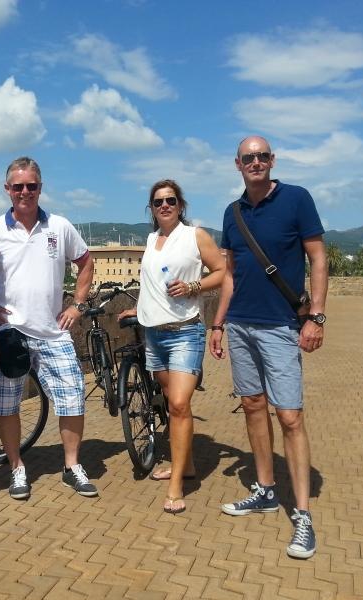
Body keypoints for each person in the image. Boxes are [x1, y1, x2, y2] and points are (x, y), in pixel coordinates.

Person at [208, 136, 327, 559]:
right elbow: (231, 274)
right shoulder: (233, 212)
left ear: (272, 161)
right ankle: (264, 488)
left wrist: (315, 316)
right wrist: (219, 323)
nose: (255, 162)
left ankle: (302, 513)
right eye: (248, 158)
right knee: (254, 406)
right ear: (237, 164)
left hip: (280, 325)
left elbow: (317, 257)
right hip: (240, 324)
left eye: (262, 156)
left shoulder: (297, 199)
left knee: (290, 416)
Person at [0, 156, 97, 499]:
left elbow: (86, 261)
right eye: (18, 186)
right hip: (9, 333)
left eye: (31, 185)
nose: (25, 192)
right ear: (7, 189)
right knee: (6, 405)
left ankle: (71, 465)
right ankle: (17, 467)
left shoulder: (59, 227)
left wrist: (77, 305)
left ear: (40, 188)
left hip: (52, 331)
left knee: (73, 397)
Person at [117, 179, 225, 514]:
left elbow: (222, 271)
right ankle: (187, 463)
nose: (164, 205)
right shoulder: (151, 240)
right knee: (170, 401)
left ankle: (177, 484)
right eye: (158, 201)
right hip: (155, 334)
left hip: (185, 332)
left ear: (181, 205)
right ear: (150, 208)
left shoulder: (195, 236)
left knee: (179, 404)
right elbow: (152, 283)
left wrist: (194, 285)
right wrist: (141, 307)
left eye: (171, 200)